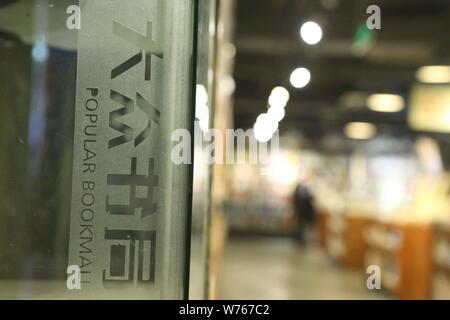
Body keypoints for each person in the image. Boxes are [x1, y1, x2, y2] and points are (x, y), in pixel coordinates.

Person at [291, 179, 316, 247]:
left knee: (303, 228)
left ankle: (302, 241)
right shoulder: (302, 194)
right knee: (302, 228)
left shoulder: (304, 193)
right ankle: (301, 241)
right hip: (303, 214)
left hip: (304, 214)